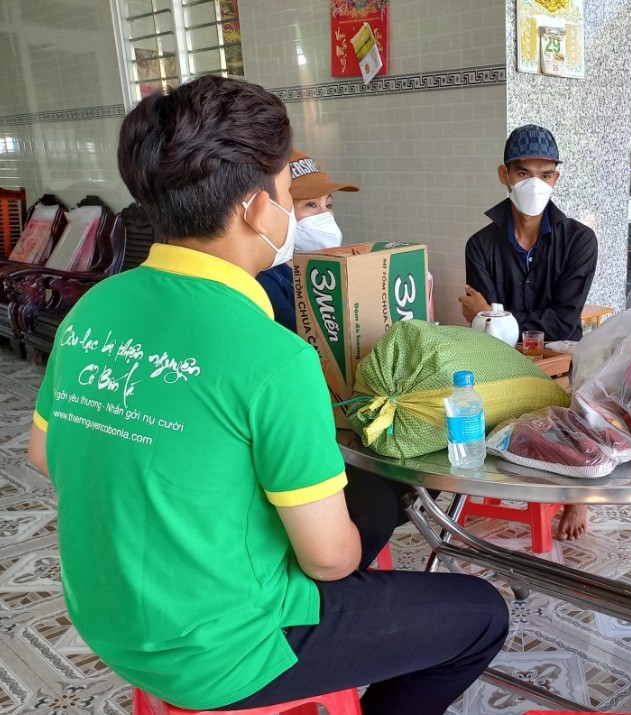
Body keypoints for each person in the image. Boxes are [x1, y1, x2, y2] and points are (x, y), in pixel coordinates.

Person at [26, 76, 507, 715]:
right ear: (257, 207)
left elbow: (43, 454)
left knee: (371, 498)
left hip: (104, 616)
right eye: (287, 193)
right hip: (221, 653)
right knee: (482, 615)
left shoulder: (96, 307)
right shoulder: (274, 358)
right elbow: (330, 562)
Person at [460, 123, 599, 541]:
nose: (534, 184)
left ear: (556, 178)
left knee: (583, 407)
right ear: (504, 175)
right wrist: (494, 320)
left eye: (545, 174)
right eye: (523, 173)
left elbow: (564, 320)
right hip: (503, 361)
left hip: (564, 359)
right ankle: (493, 483)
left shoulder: (579, 241)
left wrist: (499, 318)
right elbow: (483, 326)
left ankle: (576, 493)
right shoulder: (480, 245)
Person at [256, 148, 358, 331]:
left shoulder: (326, 270)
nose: (326, 215)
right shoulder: (267, 280)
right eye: (311, 204)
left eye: (328, 204)